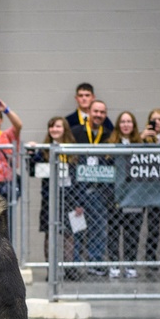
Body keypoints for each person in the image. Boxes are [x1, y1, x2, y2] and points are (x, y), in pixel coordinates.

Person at [29, 116, 83, 278]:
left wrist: (79, 202)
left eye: (58, 127)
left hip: (70, 199)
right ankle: (50, 270)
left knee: (69, 235)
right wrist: (31, 153)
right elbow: (32, 170)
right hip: (49, 199)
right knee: (49, 234)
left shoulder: (73, 150)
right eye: (51, 127)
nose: (54, 130)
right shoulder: (44, 149)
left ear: (65, 129)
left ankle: (69, 270)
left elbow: (79, 179)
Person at [70, 99, 112, 275]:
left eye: (102, 112)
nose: (99, 115)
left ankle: (95, 263)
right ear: (89, 112)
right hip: (77, 188)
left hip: (99, 190)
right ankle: (75, 265)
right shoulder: (76, 132)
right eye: (96, 111)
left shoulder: (109, 135)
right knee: (77, 228)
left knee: (98, 228)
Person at [106, 111, 143, 278]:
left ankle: (130, 264)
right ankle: (114, 263)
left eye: (129, 121)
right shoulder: (111, 144)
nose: (126, 124)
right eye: (123, 121)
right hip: (115, 196)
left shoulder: (141, 144)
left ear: (133, 125)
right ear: (118, 125)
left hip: (135, 197)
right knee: (114, 231)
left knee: (132, 232)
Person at [141, 108, 160, 273]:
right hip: (145, 187)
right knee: (148, 225)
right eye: (154, 119)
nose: (157, 122)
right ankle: (149, 257)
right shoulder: (143, 137)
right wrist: (142, 137)